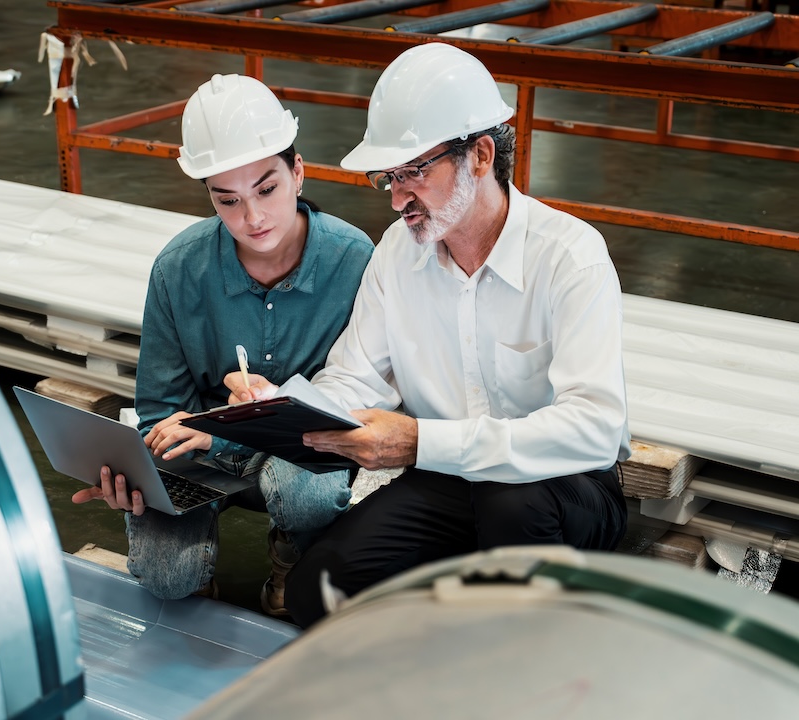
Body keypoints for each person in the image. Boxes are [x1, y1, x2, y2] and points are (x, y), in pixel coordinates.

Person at [225, 43, 630, 628]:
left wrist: (418, 443)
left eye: (415, 172)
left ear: (482, 155)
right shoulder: (398, 253)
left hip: (559, 492)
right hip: (450, 483)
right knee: (321, 590)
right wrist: (280, 407)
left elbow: (593, 431)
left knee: (509, 501)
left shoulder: (570, 258)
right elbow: (354, 375)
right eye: (388, 177)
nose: (396, 198)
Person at [72, 73, 374, 616]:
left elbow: (357, 405)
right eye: (227, 200)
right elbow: (161, 412)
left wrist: (230, 432)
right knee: (168, 580)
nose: (252, 218)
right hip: (199, 456)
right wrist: (137, 476)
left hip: (299, 451)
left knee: (306, 490)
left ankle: (294, 554)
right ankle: (193, 556)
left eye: (267, 189)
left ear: (298, 172)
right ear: (208, 194)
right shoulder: (178, 269)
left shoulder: (354, 261)